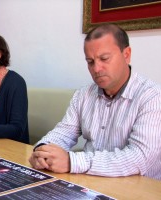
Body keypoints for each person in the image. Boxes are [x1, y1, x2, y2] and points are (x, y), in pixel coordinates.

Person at [29, 24, 161, 180]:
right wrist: (42, 151)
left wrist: (72, 162)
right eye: (90, 62)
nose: (96, 69)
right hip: (89, 182)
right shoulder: (83, 94)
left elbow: (139, 158)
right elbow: (64, 132)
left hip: (135, 189)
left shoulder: (152, 97)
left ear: (126, 54)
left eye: (104, 59)